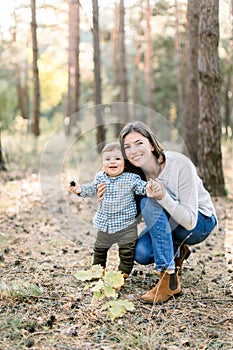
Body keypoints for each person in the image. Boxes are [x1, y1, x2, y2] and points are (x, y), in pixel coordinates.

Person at [97, 121, 217, 303]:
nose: (133, 150)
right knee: (141, 252)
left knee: (150, 200)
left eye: (139, 143)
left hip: (200, 222)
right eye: (127, 147)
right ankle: (177, 250)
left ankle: (168, 279)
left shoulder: (179, 164)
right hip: (169, 224)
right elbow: (133, 216)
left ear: (151, 144)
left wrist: (163, 197)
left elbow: (191, 221)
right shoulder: (133, 177)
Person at [70, 142, 147, 277]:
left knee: (127, 251)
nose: (112, 162)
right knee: (99, 249)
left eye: (117, 159)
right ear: (102, 163)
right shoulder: (100, 177)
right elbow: (92, 188)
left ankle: (122, 273)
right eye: (107, 159)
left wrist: (150, 187)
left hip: (127, 225)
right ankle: (97, 271)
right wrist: (80, 189)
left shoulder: (131, 178)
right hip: (105, 224)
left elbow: (141, 187)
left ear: (125, 161)